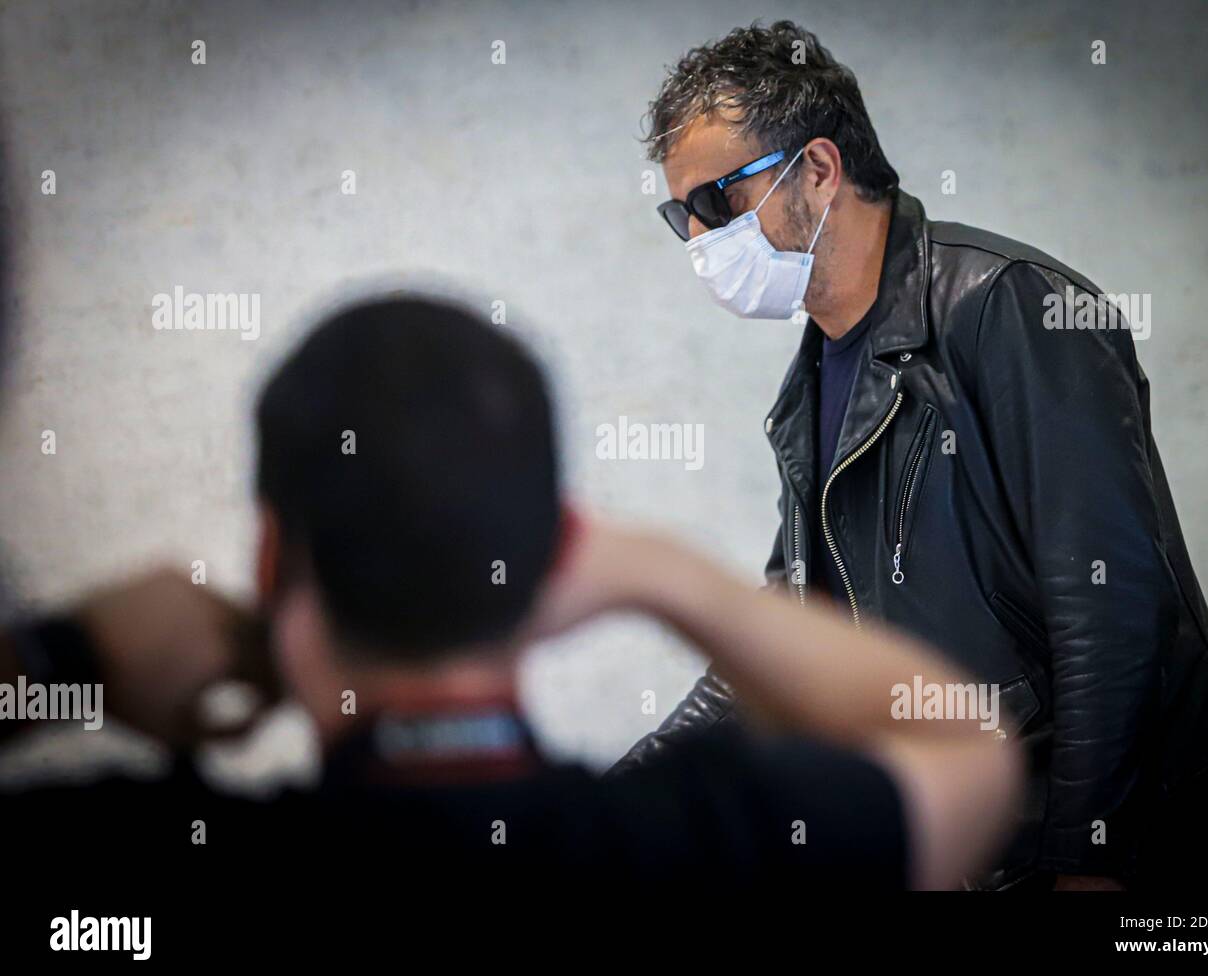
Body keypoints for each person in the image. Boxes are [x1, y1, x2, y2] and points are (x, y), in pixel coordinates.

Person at [0, 295, 1022, 890]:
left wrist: (59, 657)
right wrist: (667, 576)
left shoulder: (106, 857)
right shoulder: (711, 850)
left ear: (272, 558)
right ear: (552, 555)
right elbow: (963, 744)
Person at [623, 20, 1208, 890]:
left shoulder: (1009, 308)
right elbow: (786, 635)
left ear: (819, 169)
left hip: (1117, 854)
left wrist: (1087, 859)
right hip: (965, 844)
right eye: (681, 216)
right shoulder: (813, 382)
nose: (701, 240)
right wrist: (604, 812)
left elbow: (1113, 611)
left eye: (717, 204)